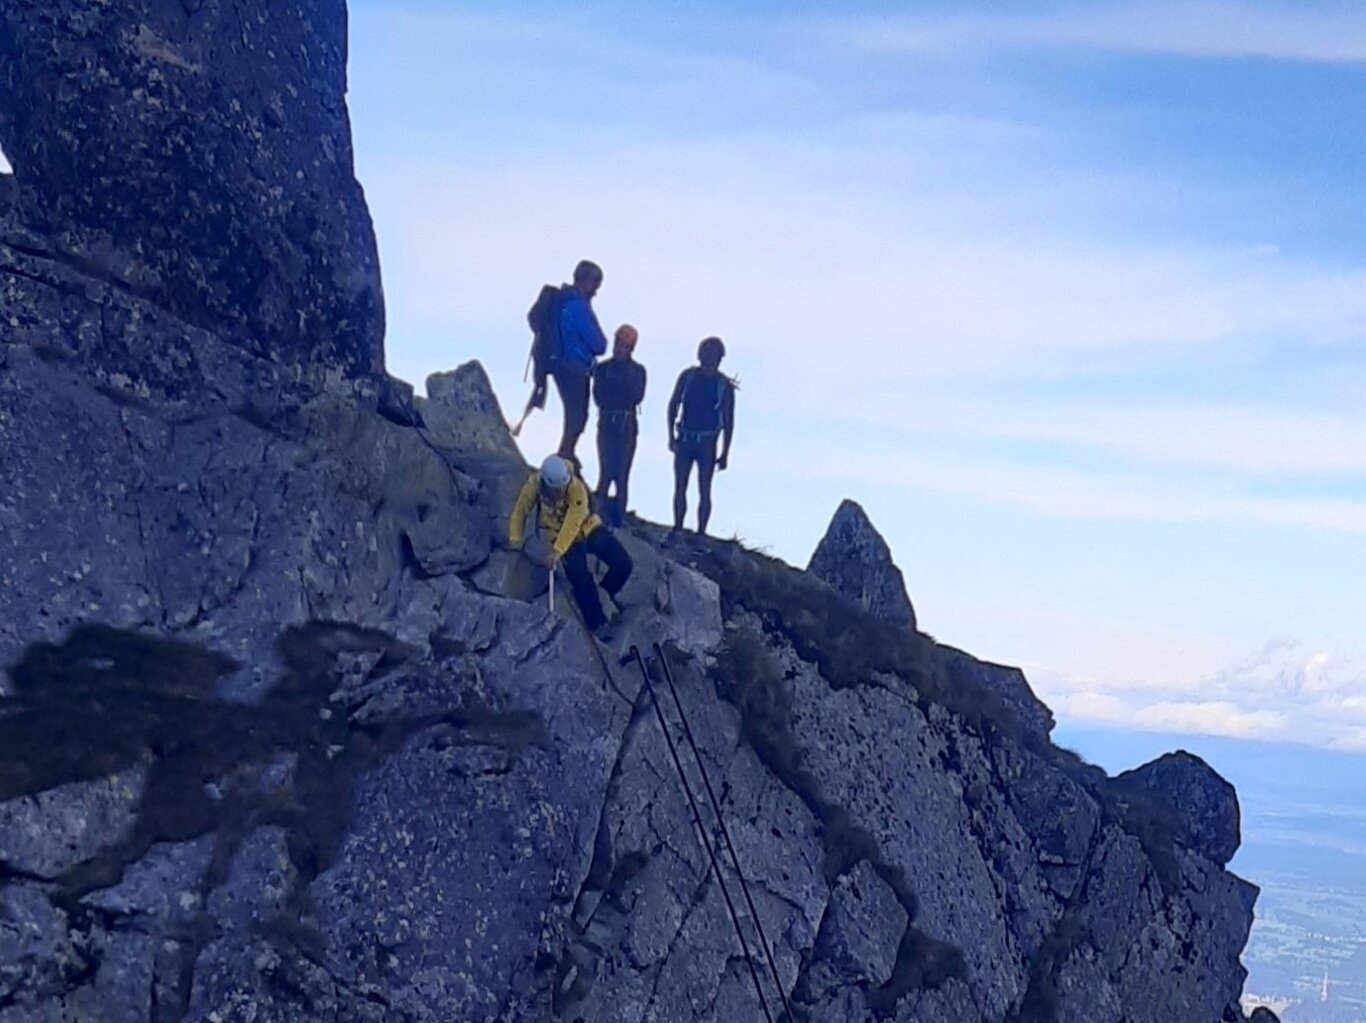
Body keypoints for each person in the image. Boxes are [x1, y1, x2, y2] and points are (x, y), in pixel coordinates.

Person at [507, 454, 633, 636]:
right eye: (555, 490)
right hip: (559, 537)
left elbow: (573, 521)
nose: (560, 493)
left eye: (562, 488)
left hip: (586, 529)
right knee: (580, 577)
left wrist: (556, 551)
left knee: (623, 564)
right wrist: (514, 538)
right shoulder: (533, 486)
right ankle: (597, 623)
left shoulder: (576, 488)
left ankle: (604, 594)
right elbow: (520, 511)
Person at [667, 337, 736, 535]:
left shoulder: (723, 386)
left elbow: (729, 422)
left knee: (703, 490)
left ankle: (700, 532)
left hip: (706, 443)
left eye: (712, 355)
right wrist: (671, 436)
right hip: (687, 439)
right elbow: (673, 405)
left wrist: (725, 453)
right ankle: (679, 527)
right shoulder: (689, 377)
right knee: (681, 486)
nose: (708, 359)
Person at [553, 260, 609, 468]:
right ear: (585, 281)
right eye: (595, 285)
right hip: (575, 368)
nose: (595, 291)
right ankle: (565, 455)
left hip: (562, 366)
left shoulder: (563, 302)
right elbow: (599, 344)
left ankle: (566, 453)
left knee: (574, 415)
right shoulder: (577, 306)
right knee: (577, 416)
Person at [593, 324, 647, 527]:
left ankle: (617, 522)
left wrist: (620, 382)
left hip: (626, 425)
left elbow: (636, 396)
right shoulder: (602, 369)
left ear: (631, 348)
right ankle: (600, 519)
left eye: (624, 345)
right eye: (618, 343)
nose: (619, 349)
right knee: (605, 472)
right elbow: (599, 397)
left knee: (622, 475)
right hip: (608, 422)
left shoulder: (637, 371)